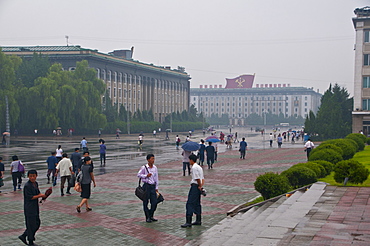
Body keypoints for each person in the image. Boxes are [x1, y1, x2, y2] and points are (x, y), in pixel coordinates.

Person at [18, 170, 46, 246]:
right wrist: (40, 196)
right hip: (29, 208)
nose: (32, 177)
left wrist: (44, 195)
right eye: (31, 176)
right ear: (28, 176)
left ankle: (24, 236)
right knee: (31, 225)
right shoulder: (27, 186)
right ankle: (30, 241)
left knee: (37, 223)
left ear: (36, 176)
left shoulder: (35, 184)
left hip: (35, 207)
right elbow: (30, 197)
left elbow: (38, 193)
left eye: (34, 176)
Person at [181, 154, 205, 228]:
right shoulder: (199, 167)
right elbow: (202, 178)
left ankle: (188, 221)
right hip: (198, 186)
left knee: (190, 203)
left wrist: (199, 186)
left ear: (191, 160)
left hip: (195, 186)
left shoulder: (194, 168)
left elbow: (197, 178)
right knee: (197, 203)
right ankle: (198, 219)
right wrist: (201, 186)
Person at [137, 154, 159, 223]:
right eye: (152, 159)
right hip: (146, 186)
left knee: (154, 202)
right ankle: (147, 217)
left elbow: (156, 178)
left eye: (154, 159)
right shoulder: (144, 167)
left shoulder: (155, 168)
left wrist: (156, 187)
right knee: (145, 202)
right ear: (148, 160)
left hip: (152, 186)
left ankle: (151, 215)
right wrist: (146, 175)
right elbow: (138, 175)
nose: (153, 160)